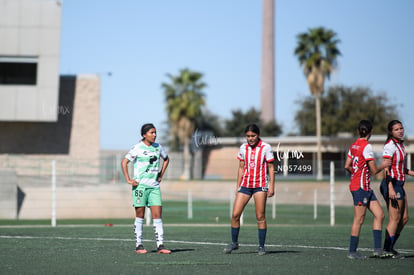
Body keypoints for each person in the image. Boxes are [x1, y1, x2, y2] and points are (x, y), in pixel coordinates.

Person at [224, 124, 275, 255]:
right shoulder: (243, 148)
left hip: (260, 185)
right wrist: (238, 186)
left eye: (253, 136)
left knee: (260, 215)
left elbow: (270, 167)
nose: (250, 138)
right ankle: (234, 243)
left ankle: (261, 247)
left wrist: (272, 186)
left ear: (258, 135)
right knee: (235, 214)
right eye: (248, 136)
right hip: (245, 185)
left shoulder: (266, 147)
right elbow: (241, 167)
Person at [121, 123, 171, 254]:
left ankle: (160, 245)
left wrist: (161, 174)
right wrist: (128, 179)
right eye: (151, 133)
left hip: (154, 187)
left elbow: (166, 159)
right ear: (144, 135)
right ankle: (139, 245)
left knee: (157, 215)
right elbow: (124, 162)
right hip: (140, 187)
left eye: (155, 133)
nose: (154, 135)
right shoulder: (137, 148)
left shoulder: (158, 147)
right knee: (140, 215)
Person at [344, 120, 387, 259]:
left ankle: (377, 250)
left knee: (380, 215)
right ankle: (352, 252)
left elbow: (347, 166)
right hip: (360, 187)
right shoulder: (367, 146)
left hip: (364, 187)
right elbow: (374, 170)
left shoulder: (354, 145)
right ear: (371, 132)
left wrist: (356, 173)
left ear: (358, 131)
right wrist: (384, 165)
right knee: (359, 219)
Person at [380, 120, 414, 259]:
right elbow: (386, 169)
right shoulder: (390, 146)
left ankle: (390, 246)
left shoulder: (400, 145)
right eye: (396, 129)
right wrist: (390, 188)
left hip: (399, 184)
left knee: (404, 218)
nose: (400, 131)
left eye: (401, 128)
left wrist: (411, 172)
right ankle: (387, 249)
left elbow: (400, 168)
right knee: (395, 218)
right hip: (392, 184)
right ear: (390, 132)